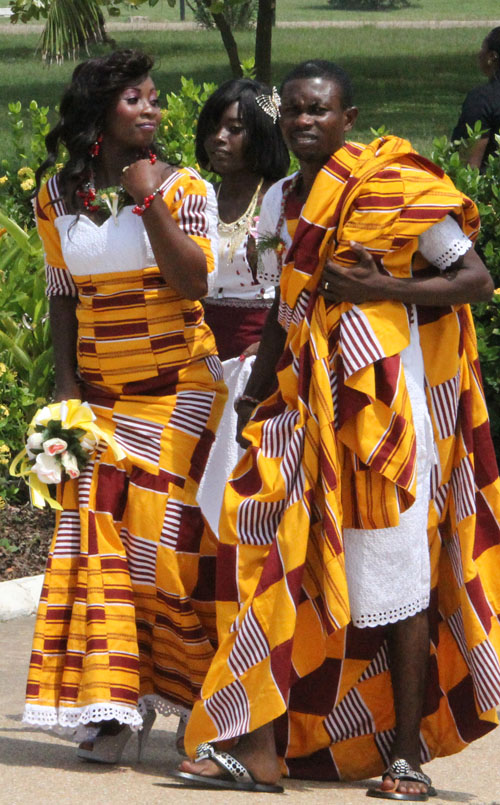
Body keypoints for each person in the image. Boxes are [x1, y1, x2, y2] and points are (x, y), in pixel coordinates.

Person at [174, 60, 500, 798]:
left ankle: (406, 756)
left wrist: (376, 287)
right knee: (267, 557)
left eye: (318, 109)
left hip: (383, 415)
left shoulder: (394, 188)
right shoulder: (284, 199)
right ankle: (261, 748)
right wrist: (253, 400)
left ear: (349, 117)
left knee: (396, 578)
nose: (303, 121)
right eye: (292, 110)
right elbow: (282, 311)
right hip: (300, 410)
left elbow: (474, 279)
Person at [22, 49, 227, 763]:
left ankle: (202, 697)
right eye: (136, 98)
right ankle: (111, 707)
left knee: (167, 549)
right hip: (101, 400)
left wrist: (148, 199)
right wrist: (65, 386)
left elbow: (195, 280)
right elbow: (60, 294)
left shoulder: (184, 186)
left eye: (155, 98)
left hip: (181, 393)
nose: (153, 109)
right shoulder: (56, 195)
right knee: (96, 544)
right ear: (101, 110)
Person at [195, 78, 289, 537]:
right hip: (197, 349)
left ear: (262, 134)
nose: (219, 138)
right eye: (214, 126)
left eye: (235, 128)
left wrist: (265, 353)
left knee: (239, 471)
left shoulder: (274, 200)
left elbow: (277, 280)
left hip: (254, 350)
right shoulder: (197, 196)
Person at [452, 26, 500, 169]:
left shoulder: (482, 100)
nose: (479, 54)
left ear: (492, 57)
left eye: (482, 49)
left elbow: (469, 169)